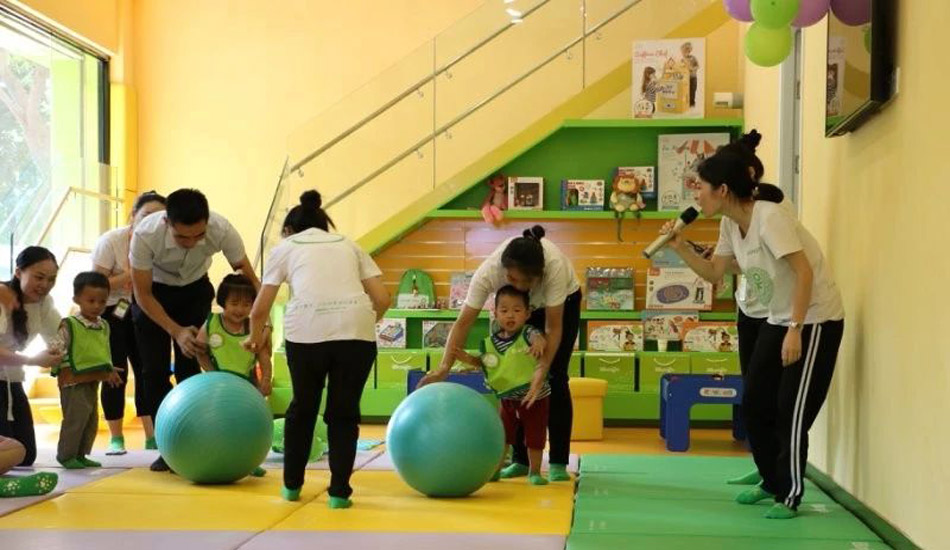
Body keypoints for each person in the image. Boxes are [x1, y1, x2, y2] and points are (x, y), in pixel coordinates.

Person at [659, 146, 845, 519]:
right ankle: (771, 481)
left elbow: (804, 272)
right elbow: (715, 273)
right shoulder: (730, 224)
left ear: (722, 190)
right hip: (779, 317)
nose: (697, 195)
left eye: (701, 187)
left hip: (814, 320)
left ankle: (789, 494)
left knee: (790, 410)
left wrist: (795, 329)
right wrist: (679, 248)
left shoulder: (769, 217)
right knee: (755, 402)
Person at [245, 190, 390, 508]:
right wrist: (363, 324)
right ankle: (338, 494)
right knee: (344, 413)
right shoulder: (349, 245)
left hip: (306, 333)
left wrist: (254, 339)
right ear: (324, 225)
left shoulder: (286, 247)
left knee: (303, 408)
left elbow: (259, 310)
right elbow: (382, 298)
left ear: (288, 230)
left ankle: (291, 487)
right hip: (356, 334)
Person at [419, 225, 581, 482]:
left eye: (526, 282)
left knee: (555, 378)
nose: (520, 286)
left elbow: (553, 327)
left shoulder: (554, 269)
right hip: (517, 309)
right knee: (515, 378)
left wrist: (542, 369)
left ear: (538, 276)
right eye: (513, 280)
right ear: (504, 271)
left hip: (563, 306)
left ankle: (559, 461)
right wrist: (443, 367)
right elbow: (463, 323)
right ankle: (520, 460)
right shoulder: (489, 273)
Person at [130, 188, 260, 472]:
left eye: (198, 236)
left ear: (207, 221)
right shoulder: (145, 234)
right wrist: (176, 331)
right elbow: (142, 294)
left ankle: (196, 438)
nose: (190, 243)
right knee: (154, 371)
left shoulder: (222, 229)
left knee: (190, 364)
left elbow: (250, 279)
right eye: (182, 237)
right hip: (154, 294)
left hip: (195, 289)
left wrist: (262, 322)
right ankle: (167, 445)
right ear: (167, 222)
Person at [92, 190, 167, 455]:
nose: (152, 221)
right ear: (133, 216)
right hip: (112, 310)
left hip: (144, 308)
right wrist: (131, 275)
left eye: (160, 217)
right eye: (147, 215)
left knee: (148, 370)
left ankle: (152, 435)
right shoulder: (111, 241)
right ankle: (116, 437)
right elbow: (96, 285)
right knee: (116, 371)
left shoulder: (163, 244)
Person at [455, 286, 550, 486]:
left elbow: (538, 337)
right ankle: (496, 470)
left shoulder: (528, 332)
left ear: (527, 314)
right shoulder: (492, 341)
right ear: (495, 313)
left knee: (535, 436)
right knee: (503, 435)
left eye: (517, 310)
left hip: (535, 397)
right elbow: (489, 363)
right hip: (507, 398)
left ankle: (534, 472)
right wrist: (469, 360)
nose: (510, 315)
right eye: (504, 310)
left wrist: (539, 341)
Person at [0, 247, 64, 467]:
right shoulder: (2, 297)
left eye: (51, 279)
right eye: (39, 277)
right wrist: (32, 360)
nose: (45, 284)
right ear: (18, 272)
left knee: (25, 456)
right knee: (9, 452)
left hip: (12, 381)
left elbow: (61, 336)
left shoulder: (44, 303)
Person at [51, 272, 122, 469]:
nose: (97, 306)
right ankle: (66, 455)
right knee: (76, 418)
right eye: (91, 301)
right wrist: (53, 354)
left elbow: (102, 351)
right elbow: (57, 344)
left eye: (102, 301)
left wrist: (109, 369)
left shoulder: (103, 325)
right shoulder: (70, 324)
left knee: (90, 419)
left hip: (93, 377)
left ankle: (81, 454)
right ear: (77, 299)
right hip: (72, 380)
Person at [198, 274, 272, 393]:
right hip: (218, 386)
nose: (240, 309)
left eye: (246, 304)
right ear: (223, 301)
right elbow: (200, 352)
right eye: (234, 303)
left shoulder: (254, 328)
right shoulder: (211, 323)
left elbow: (264, 357)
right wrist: (213, 374)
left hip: (247, 386)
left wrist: (266, 379)